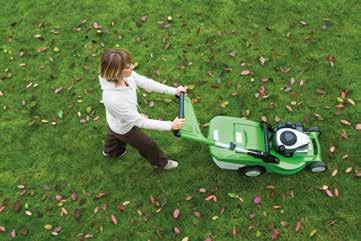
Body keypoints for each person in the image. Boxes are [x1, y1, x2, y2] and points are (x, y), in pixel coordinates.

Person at [99, 49, 186, 170]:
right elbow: (140, 121)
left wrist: (173, 90)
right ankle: (161, 163)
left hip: (116, 120)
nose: (132, 67)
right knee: (148, 145)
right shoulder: (114, 100)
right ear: (116, 72)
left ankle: (111, 152)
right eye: (127, 66)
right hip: (125, 127)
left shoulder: (125, 76)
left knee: (114, 133)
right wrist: (171, 125)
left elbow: (146, 82)